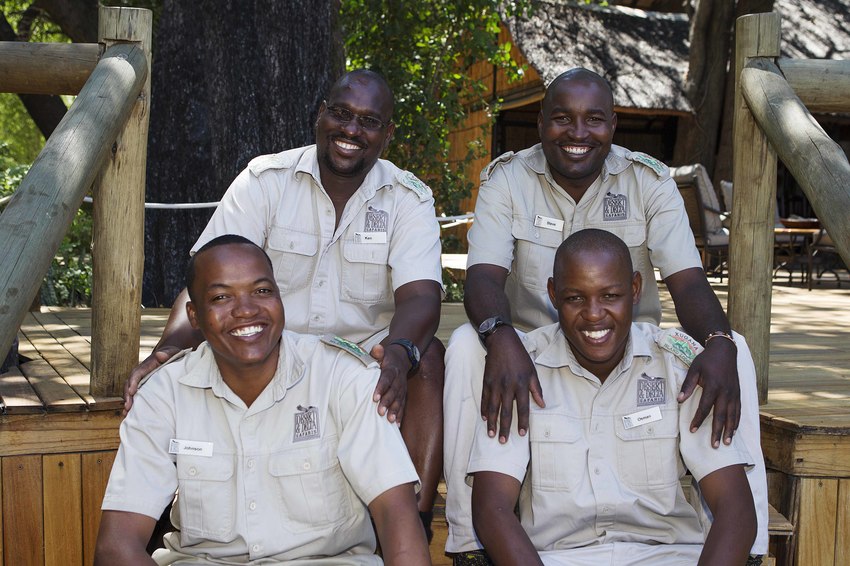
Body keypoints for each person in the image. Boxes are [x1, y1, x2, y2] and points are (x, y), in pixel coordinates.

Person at [443, 67, 767, 561]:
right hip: (532, 343)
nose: (577, 133)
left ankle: (753, 545)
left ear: (613, 125)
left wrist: (719, 343)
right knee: (468, 344)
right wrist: (501, 337)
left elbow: (688, 283)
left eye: (593, 120)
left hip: (632, 346)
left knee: (734, 348)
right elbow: (484, 278)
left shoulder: (648, 181)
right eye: (562, 119)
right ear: (541, 124)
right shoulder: (507, 179)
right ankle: (470, 541)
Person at [124, 69, 445, 535]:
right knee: (172, 375)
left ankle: (412, 521)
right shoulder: (265, 180)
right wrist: (168, 349)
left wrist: (399, 352)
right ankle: (160, 516)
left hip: (360, 363)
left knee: (428, 356)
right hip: (265, 353)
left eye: (369, 121)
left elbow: (421, 296)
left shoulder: (407, 199)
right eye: (341, 113)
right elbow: (205, 281)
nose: (351, 130)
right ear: (320, 115)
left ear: (388, 134)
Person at [95, 235, 431, 565]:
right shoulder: (163, 394)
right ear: (194, 316)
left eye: (261, 291)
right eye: (221, 297)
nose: (246, 310)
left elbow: (396, 515)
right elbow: (117, 546)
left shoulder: (344, 378)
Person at [469, 229, 758, 566]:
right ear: (552, 294)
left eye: (610, 295)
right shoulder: (521, 372)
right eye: (575, 298)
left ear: (635, 290)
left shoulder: (680, 367)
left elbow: (735, 509)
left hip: (668, 558)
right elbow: (492, 509)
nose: (593, 313)